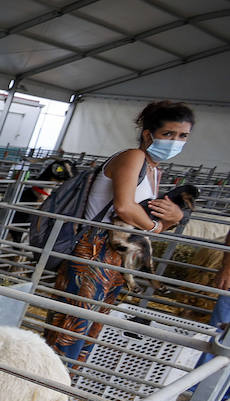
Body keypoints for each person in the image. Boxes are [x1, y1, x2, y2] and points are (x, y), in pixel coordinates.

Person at [44, 100, 193, 362]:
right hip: (92, 254)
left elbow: (143, 214)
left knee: (91, 326)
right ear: (148, 134)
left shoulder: (154, 170)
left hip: (119, 258)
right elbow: (125, 207)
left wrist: (175, 216)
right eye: (168, 134)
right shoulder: (132, 157)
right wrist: (158, 225)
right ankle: (43, 387)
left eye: (182, 136)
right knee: (72, 325)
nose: (176, 142)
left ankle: (61, 389)